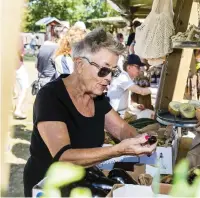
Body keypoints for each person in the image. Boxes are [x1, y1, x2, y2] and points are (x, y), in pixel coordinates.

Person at [23, 28, 157, 197]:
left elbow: (121, 129)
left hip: (82, 182)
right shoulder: (51, 97)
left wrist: (141, 139)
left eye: (113, 72)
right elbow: (65, 157)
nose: (109, 78)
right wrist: (119, 150)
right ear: (79, 65)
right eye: (104, 70)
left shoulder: (97, 98)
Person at [14, 36, 29, 119]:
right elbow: (21, 53)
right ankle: (18, 109)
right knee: (25, 87)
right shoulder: (17, 36)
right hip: (17, 65)